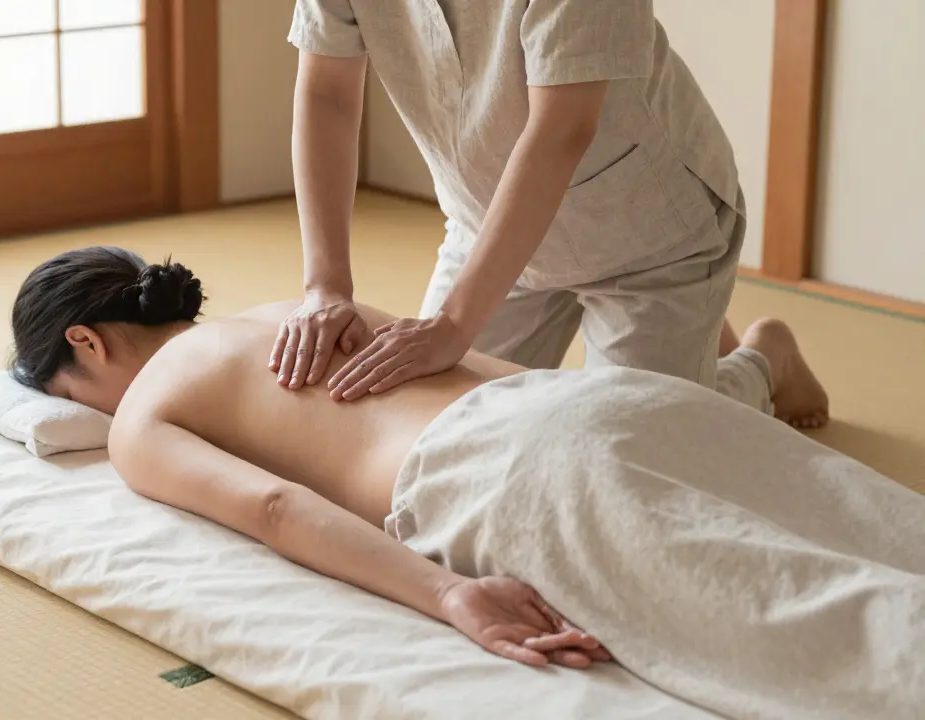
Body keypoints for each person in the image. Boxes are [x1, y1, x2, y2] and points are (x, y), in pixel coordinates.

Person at [9, 248, 923, 718]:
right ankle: (762, 366)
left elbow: (277, 507)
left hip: (509, 473)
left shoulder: (139, 421)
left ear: (85, 344)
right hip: (600, 403)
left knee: (795, 622)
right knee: (870, 524)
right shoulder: (297, 309)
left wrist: (452, 595)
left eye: (67, 391)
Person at [272, 0, 831, 430]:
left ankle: (762, 361)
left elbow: (561, 129)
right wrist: (326, 285)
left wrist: (454, 326)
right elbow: (329, 95)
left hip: (647, 234)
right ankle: (695, 333)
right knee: (437, 432)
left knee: (630, 456)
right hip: (489, 225)